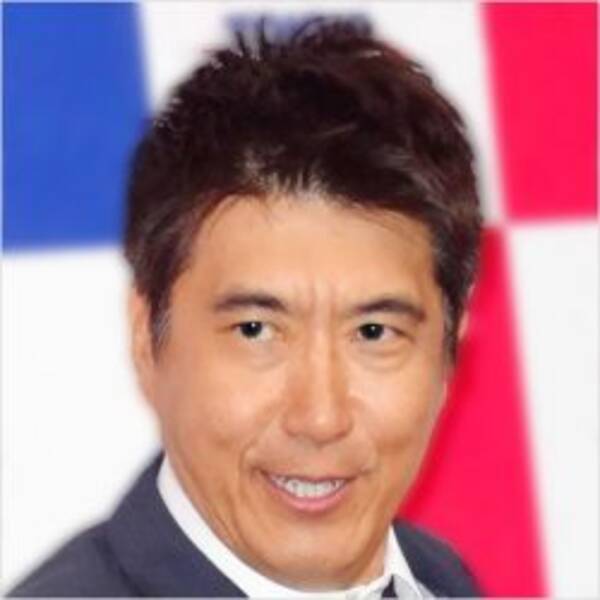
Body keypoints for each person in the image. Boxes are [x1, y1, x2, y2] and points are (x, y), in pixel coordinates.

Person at [10, 18, 483, 598]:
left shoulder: (438, 578)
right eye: (256, 330)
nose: (320, 417)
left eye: (373, 332)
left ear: (449, 349)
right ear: (147, 337)